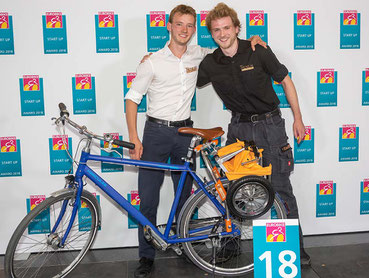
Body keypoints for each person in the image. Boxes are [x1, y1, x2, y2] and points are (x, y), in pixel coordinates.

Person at [124, 4, 266, 277]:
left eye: (190, 25)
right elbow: (132, 99)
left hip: (185, 133)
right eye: (179, 24)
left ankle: (187, 248)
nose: (185, 30)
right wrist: (134, 137)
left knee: (185, 197)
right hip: (155, 133)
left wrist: (254, 41)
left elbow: (229, 47)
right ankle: (146, 256)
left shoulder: (198, 53)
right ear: (169, 26)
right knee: (148, 199)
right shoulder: (152, 61)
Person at [196, 2, 311, 266]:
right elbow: (185, 71)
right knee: (234, 191)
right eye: (216, 30)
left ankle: (294, 248)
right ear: (211, 34)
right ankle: (231, 244)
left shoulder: (258, 50)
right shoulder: (211, 63)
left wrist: (299, 118)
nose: (222, 34)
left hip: (270, 127)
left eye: (227, 28)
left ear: (237, 28)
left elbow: (286, 80)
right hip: (238, 130)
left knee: (281, 190)